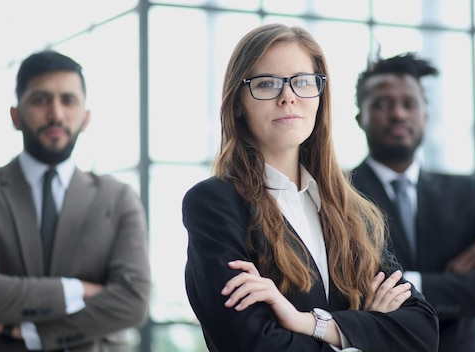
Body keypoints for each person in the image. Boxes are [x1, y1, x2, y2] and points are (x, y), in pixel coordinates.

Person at [182, 24, 439, 352]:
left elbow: (421, 330)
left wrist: (309, 322)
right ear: (237, 103)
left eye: (302, 82)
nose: (287, 96)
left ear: (320, 96)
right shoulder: (214, 204)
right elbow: (253, 344)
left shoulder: (352, 210)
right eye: (266, 84)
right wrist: (366, 332)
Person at [0, 50, 151, 352]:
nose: (56, 114)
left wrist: (28, 332)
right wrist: (77, 290)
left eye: (68, 100)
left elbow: (133, 302)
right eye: (40, 99)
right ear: (15, 115)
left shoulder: (119, 198)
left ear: (86, 116)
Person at [349, 52, 475, 352]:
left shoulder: (466, 193)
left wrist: (411, 283)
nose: (398, 114)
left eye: (409, 104)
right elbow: (348, 293)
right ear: (360, 118)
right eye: (382, 104)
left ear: (425, 114)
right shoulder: (341, 194)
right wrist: (450, 284)